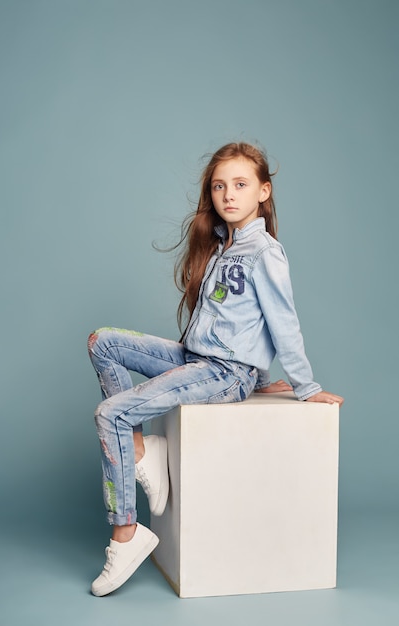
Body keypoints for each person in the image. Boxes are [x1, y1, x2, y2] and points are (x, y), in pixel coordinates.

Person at [87, 141, 344, 597]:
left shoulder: (265, 252)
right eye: (220, 185)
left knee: (111, 414)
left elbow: (282, 323)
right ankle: (145, 450)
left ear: (263, 192)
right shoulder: (223, 247)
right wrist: (266, 383)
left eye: (241, 185)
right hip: (195, 359)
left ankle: (126, 535)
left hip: (225, 373)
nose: (228, 194)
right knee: (102, 341)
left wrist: (306, 387)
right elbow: (239, 324)